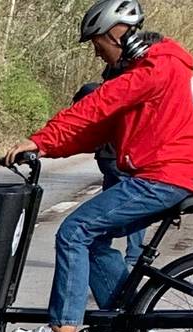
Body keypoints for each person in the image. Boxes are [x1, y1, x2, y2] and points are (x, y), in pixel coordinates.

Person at [2, 0, 193, 332]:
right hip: (166, 174)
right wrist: (45, 148)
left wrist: (41, 138)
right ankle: (128, 322)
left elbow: (98, 104)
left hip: (163, 176)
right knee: (94, 239)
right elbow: (97, 129)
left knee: (74, 231)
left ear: (117, 34)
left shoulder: (158, 66)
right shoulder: (151, 68)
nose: (99, 55)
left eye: (98, 44)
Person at [71, 77, 145, 267]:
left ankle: (101, 248)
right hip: (117, 158)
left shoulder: (92, 92)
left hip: (105, 158)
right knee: (132, 209)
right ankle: (133, 257)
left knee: (109, 204)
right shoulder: (113, 95)